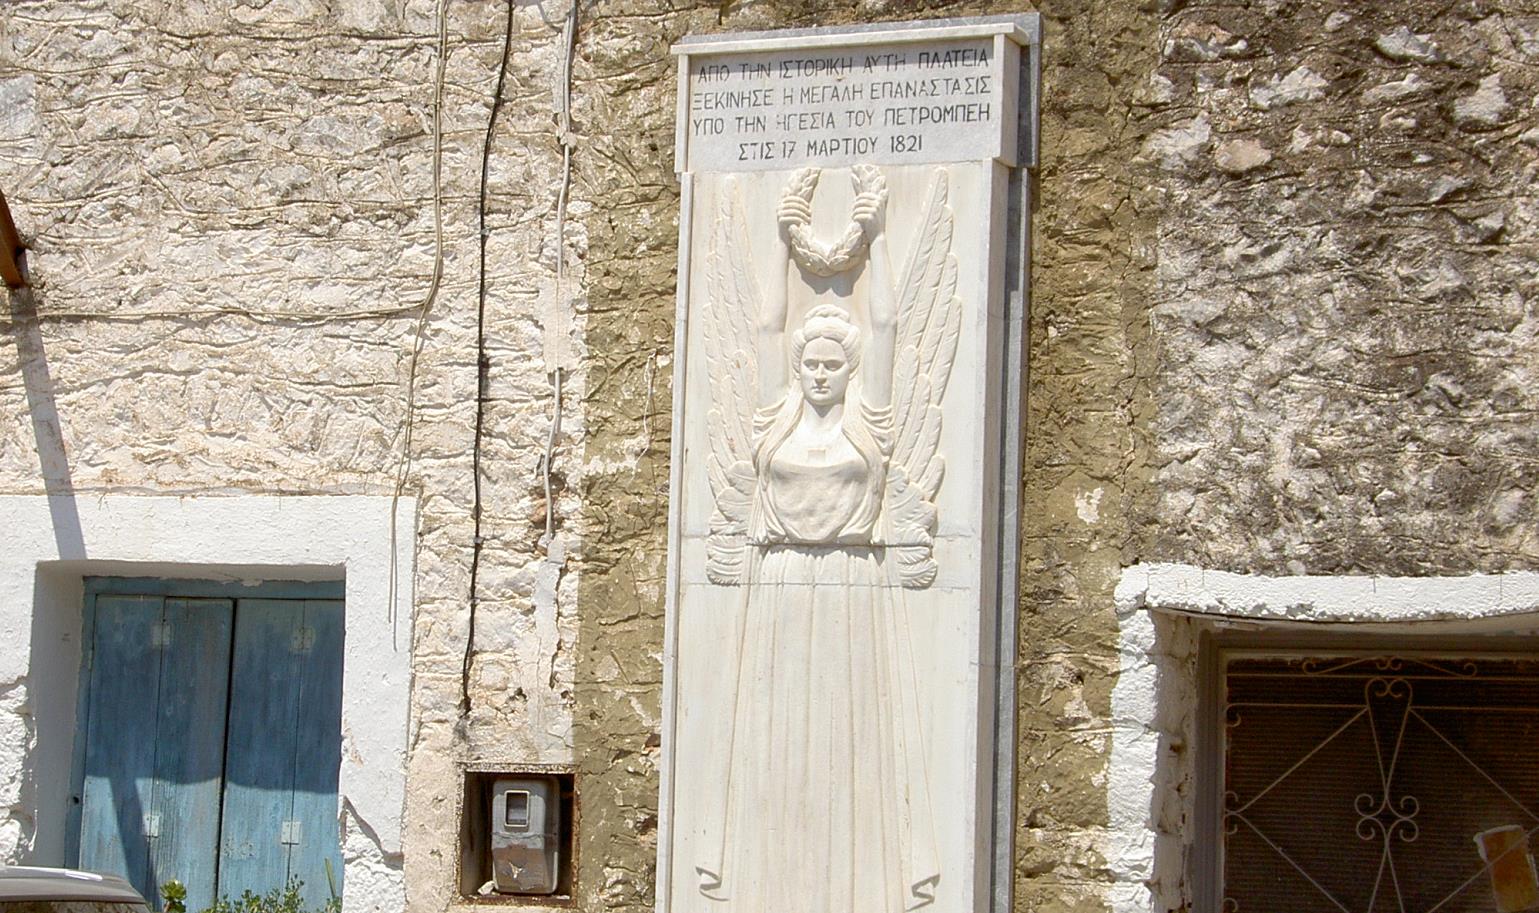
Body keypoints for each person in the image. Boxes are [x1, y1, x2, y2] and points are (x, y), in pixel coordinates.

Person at [703, 170, 939, 913]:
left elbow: (889, 324)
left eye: (832, 365)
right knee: (775, 747)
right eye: (810, 364)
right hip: (777, 587)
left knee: (849, 745)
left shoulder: (868, 423)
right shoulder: (773, 418)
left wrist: (878, 236)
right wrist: (781, 237)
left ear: (849, 368)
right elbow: (766, 327)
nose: (818, 375)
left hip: (851, 587)